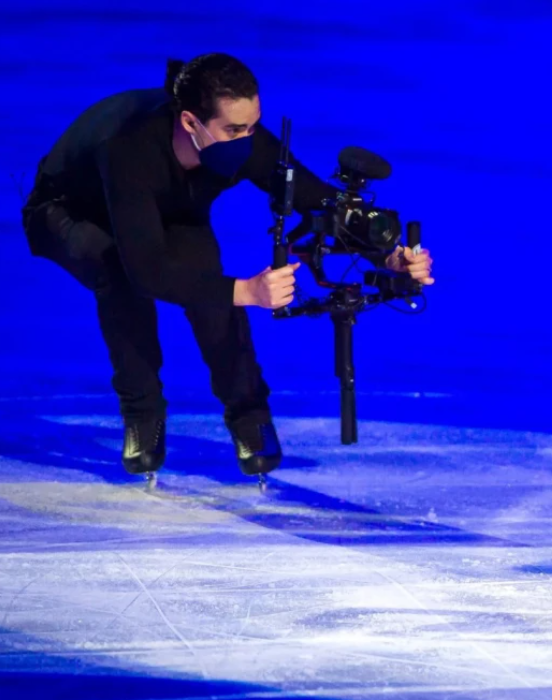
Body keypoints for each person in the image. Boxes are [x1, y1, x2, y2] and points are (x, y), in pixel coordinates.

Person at [19, 53, 434, 482]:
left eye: (253, 125)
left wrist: (388, 257)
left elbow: (319, 203)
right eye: (235, 130)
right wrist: (247, 291)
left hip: (172, 210)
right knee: (121, 273)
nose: (247, 139)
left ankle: (249, 415)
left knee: (207, 279)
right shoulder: (129, 147)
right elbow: (147, 271)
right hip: (70, 212)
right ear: (189, 122)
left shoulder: (243, 137)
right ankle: (142, 414)